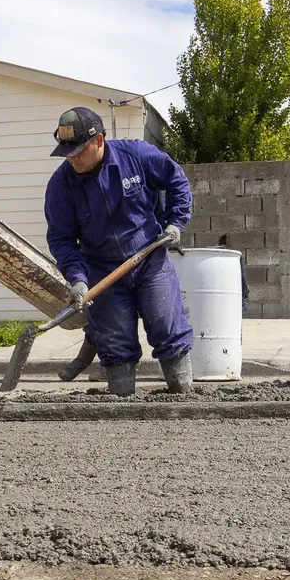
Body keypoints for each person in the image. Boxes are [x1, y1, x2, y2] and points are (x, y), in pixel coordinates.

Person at [44, 107, 194, 396]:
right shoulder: (61, 186)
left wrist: (175, 222)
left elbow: (175, 179)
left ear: (98, 140)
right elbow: (61, 239)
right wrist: (76, 277)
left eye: (78, 150)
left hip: (150, 257)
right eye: (66, 151)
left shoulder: (136, 156)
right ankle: (121, 408)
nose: (71, 157)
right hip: (102, 269)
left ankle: (184, 396)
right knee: (115, 342)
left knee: (167, 326)